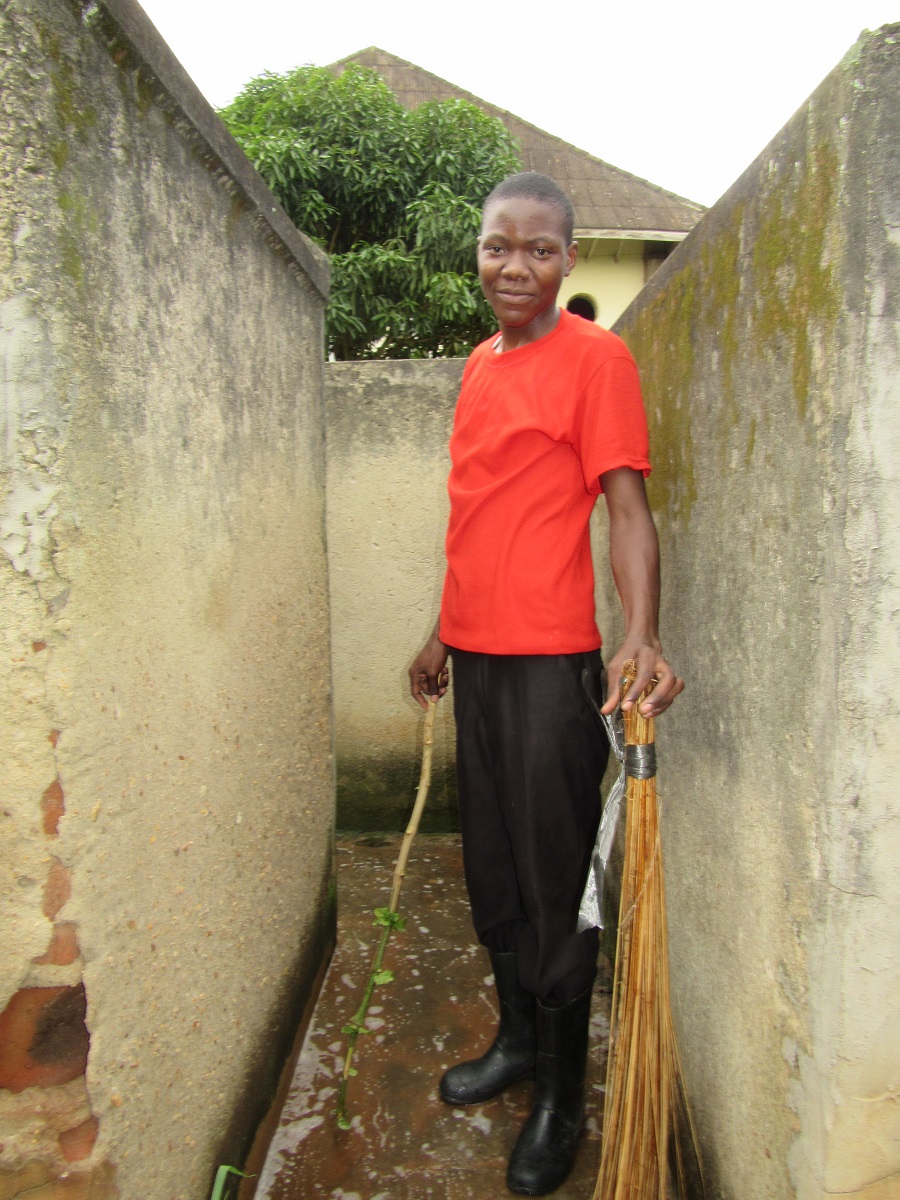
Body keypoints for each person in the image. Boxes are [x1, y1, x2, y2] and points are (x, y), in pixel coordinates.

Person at [408, 171, 683, 1196]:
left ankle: (565, 1100)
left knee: (556, 885)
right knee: (491, 872)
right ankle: (518, 1044)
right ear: (475, 253)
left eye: (536, 249)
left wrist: (639, 633)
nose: (513, 265)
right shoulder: (479, 368)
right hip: (476, 663)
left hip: (553, 667)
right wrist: (441, 632)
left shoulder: (596, 359)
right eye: (496, 246)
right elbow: (476, 515)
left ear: (568, 260)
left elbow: (625, 507)